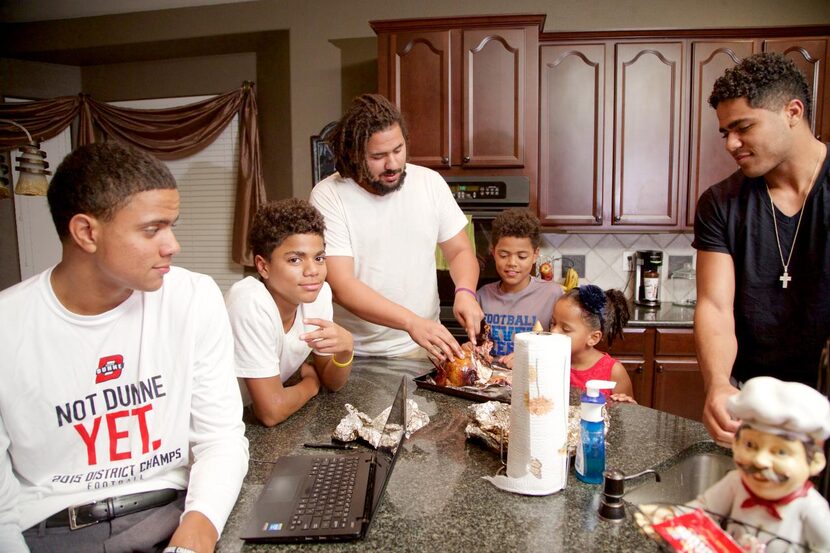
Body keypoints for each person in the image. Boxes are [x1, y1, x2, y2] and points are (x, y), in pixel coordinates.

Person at [0, 141, 249, 553]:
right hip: (51, 531)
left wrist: (197, 530)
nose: (172, 245)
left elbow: (220, 438)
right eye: (152, 229)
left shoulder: (193, 297)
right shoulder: (9, 326)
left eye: (172, 225)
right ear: (86, 232)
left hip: (172, 513)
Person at [693, 52, 830, 444]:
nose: (731, 144)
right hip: (756, 403)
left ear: (792, 111)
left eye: (743, 127)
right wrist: (718, 383)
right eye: (725, 133)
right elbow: (715, 306)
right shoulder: (721, 203)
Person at [309, 93, 483, 360]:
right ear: (354, 155)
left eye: (398, 150)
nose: (392, 164)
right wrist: (411, 322)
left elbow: (459, 250)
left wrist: (466, 292)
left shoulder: (430, 183)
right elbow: (341, 283)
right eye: (378, 156)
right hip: (355, 352)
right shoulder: (329, 195)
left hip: (423, 346)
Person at [225, 198, 354, 427]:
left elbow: (332, 381)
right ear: (263, 266)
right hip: (201, 427)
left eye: (319, 258)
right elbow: (270, 412)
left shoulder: (318, 293)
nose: (312, 271)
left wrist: (346, 351)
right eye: (295, 259)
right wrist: (310, 385)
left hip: (242, 417)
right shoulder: (249, 301)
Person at [688, 377, 830, 552]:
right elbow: (702, 510)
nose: (759, 461)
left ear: (815, 462)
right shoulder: (736, 483)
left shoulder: (810, 507)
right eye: (750, 445)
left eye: (781, 452)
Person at [476, 208, 562, 360]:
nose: (512, 263)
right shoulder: (482, 295)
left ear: (535, 255)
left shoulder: (553, 295)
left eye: (522, 256)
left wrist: (527, 357)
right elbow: (479, 344)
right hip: (492, 380)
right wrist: (473, 349)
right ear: (493, 251)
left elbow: (564, 347)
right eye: (503, 255)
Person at [551, 285, 636, 403]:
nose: (553, 331)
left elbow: (629, 415)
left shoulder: (614, 372)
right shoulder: (548, 362)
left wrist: (626, 405)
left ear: (593, 338)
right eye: (553, 323)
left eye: (565, 329)